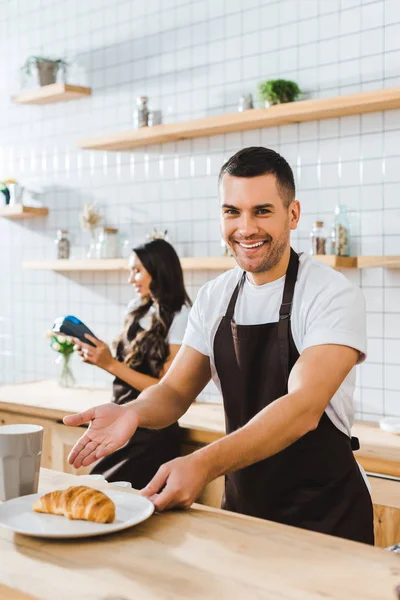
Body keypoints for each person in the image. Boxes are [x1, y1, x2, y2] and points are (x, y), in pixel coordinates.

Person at [64, 147, 374, 544]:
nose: (246, 228)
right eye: (232, 211)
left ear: (292, 214)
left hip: (326, 521)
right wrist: (133, 413)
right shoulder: (215, 297)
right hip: (244, 514)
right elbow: (175, 392)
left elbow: (302, 409)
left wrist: (202, 463)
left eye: (262, 211)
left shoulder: (331, 294)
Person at [71, 238, 191, 489]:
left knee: (109, 495)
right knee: (101, 493)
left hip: (151, 429)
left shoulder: (182, 317)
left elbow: (165, 387)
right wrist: (100, 357)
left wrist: (110, 365)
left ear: (158, 270)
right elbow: (129, 366)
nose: (130, 279)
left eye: (137, 271)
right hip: (120, 419)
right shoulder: (137, 308)